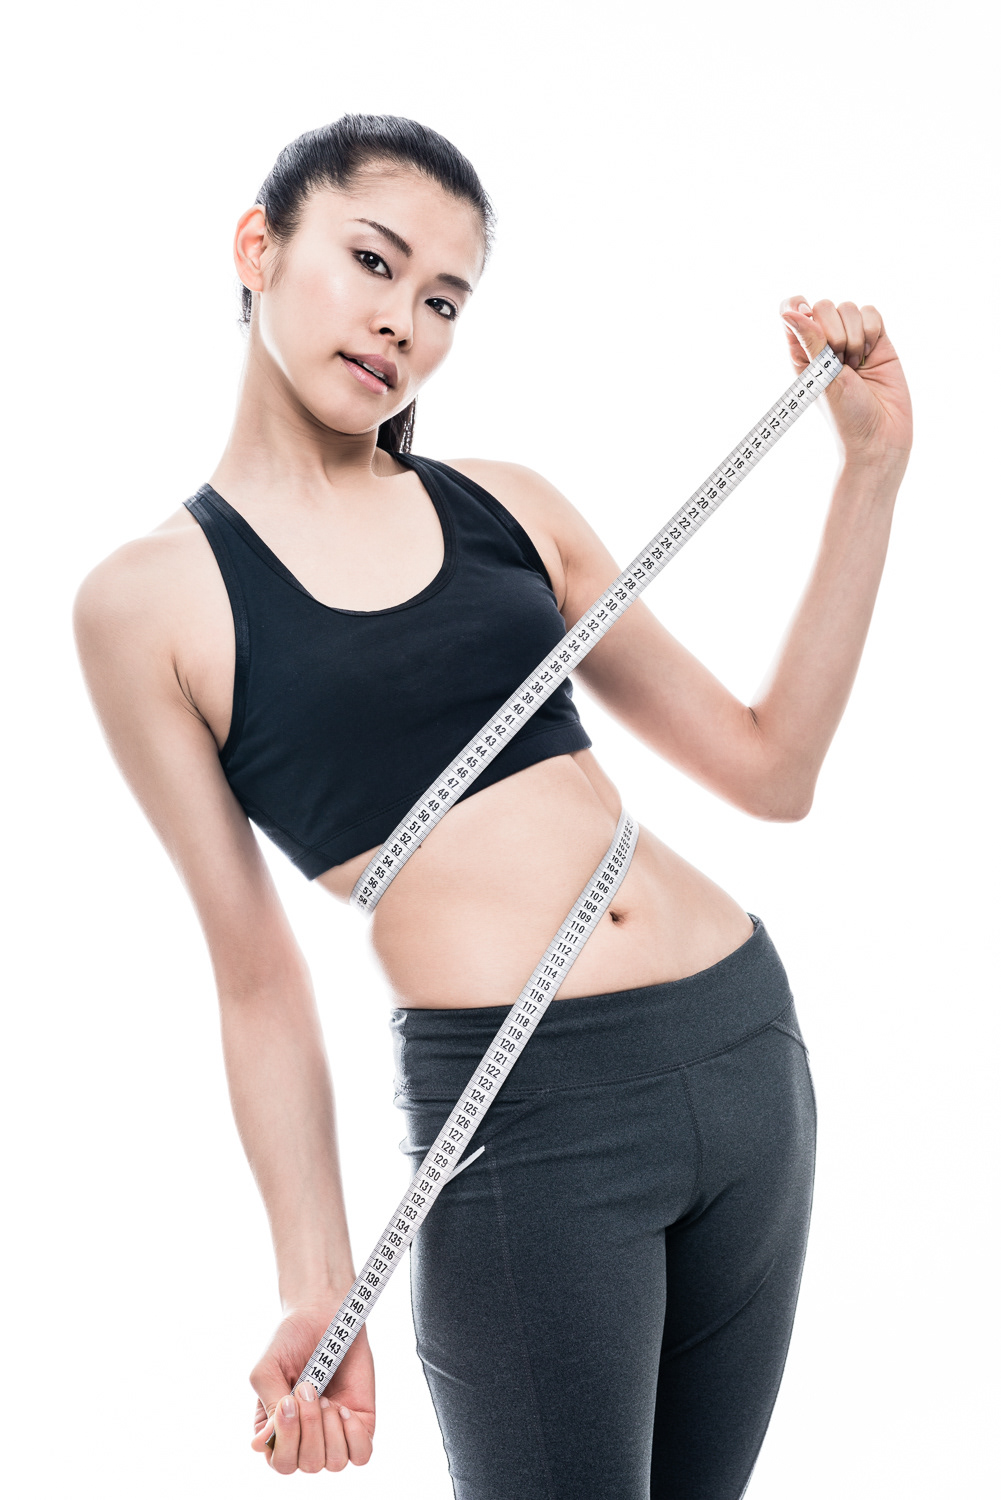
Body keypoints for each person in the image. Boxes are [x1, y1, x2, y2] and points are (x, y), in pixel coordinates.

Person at [73, 114, 912, 1498]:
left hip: (744, 1045)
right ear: (258, 245)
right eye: (373, 261)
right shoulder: (147, 601)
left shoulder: (508, 508)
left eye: (443, 299)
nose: (401, 320)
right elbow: (255, 972)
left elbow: (773, 770)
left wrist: (870, 470)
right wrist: (314, 1288)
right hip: (526, 1115)